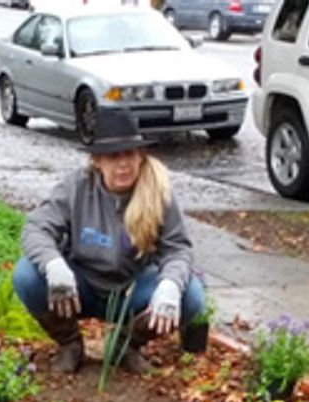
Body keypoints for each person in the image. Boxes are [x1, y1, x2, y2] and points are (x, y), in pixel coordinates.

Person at [15, 107, 206, 374]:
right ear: (97, 160)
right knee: (26, 275)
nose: (123, 164)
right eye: (113, 156)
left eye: (129, 154)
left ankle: (126, 345)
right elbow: (36, 229)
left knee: (192, 297)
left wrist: (170, 285)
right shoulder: (76, 188)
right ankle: (70, 344)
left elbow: (178, 249)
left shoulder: (159, 192)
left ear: (140, 156)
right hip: (79, 290)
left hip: (132, 291)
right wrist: (54, 265)